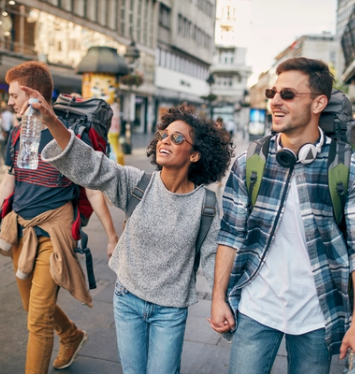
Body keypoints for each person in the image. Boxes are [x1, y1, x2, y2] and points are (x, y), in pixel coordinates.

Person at [19, 91, 233, 374]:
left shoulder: (206, 205)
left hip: (170, 311)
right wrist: (52, 121)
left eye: (178, 138)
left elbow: (213, 259)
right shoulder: (137, 183)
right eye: (164, 134)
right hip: (127, 299)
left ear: (195, 154)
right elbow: (90, 165)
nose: (166, 140)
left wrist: (223, 304)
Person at [209, 57, 355, 374]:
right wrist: (218, 297)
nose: (275, 100)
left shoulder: (346, 167)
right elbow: (230, 235)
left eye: (287, 94)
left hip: (319, 314)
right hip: (256, 308)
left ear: (319, 102)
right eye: (273, 93)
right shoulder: (250, 163)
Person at [0, 61, 119, 374]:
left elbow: (93, 189)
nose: (10, 101)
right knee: (34, 307)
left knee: (37, 323)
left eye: (15, 95)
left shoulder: (66, 138)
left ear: (32, 94)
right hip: (19, 230)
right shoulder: (17, 133)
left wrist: (112, 236)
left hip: (54, 235)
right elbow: (10, 180)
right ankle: (71, 336)